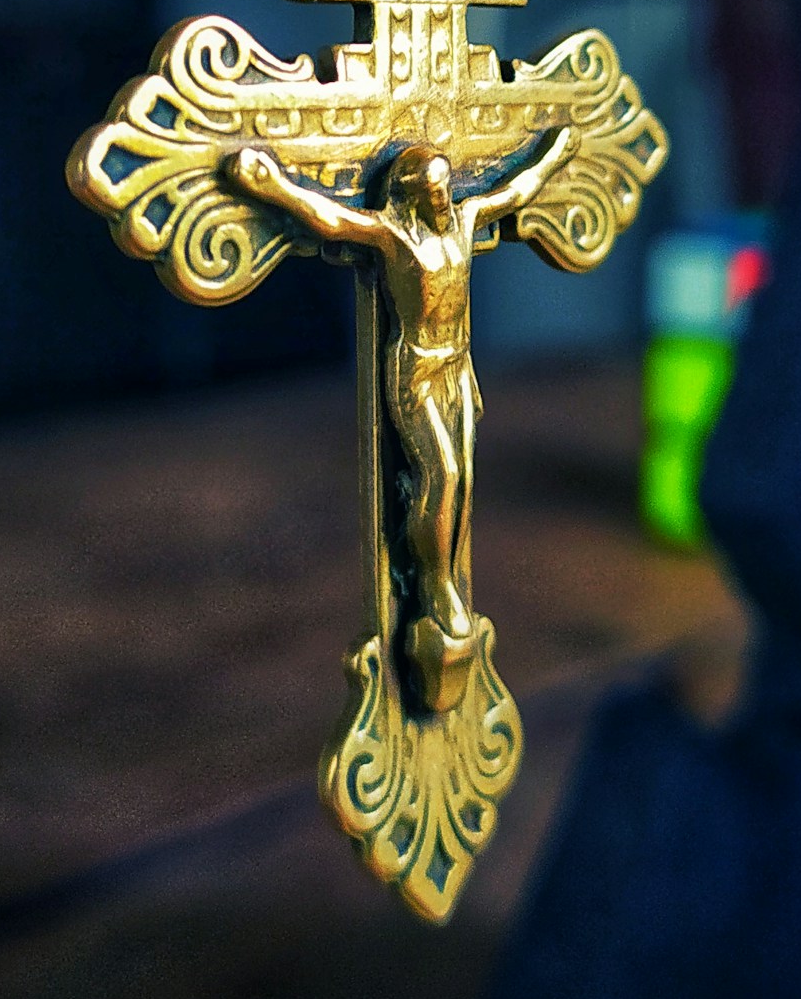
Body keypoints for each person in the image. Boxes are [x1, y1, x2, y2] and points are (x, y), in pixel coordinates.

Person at [225, 126, 575, 713]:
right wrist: (273, 185)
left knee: (461, 479)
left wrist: (556, 155)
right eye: (431, 191)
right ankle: (436, 585)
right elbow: (333, 221)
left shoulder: (465, 222)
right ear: (412, 195)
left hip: (458, 366)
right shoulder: (391, 237)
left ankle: (441, 586)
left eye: (444, 189)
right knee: (437, 474)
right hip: (416, 372)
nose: (442, 199)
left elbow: (516, 190)